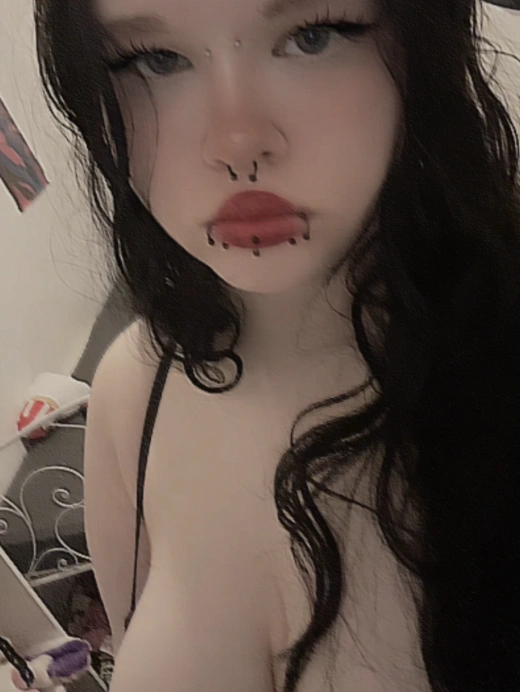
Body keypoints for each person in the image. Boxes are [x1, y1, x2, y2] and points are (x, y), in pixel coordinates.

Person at [33, 0, 520, 689]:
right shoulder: (132, 387)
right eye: (154, 59)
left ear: (421, 45)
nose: (236, 143)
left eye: (312, 36)